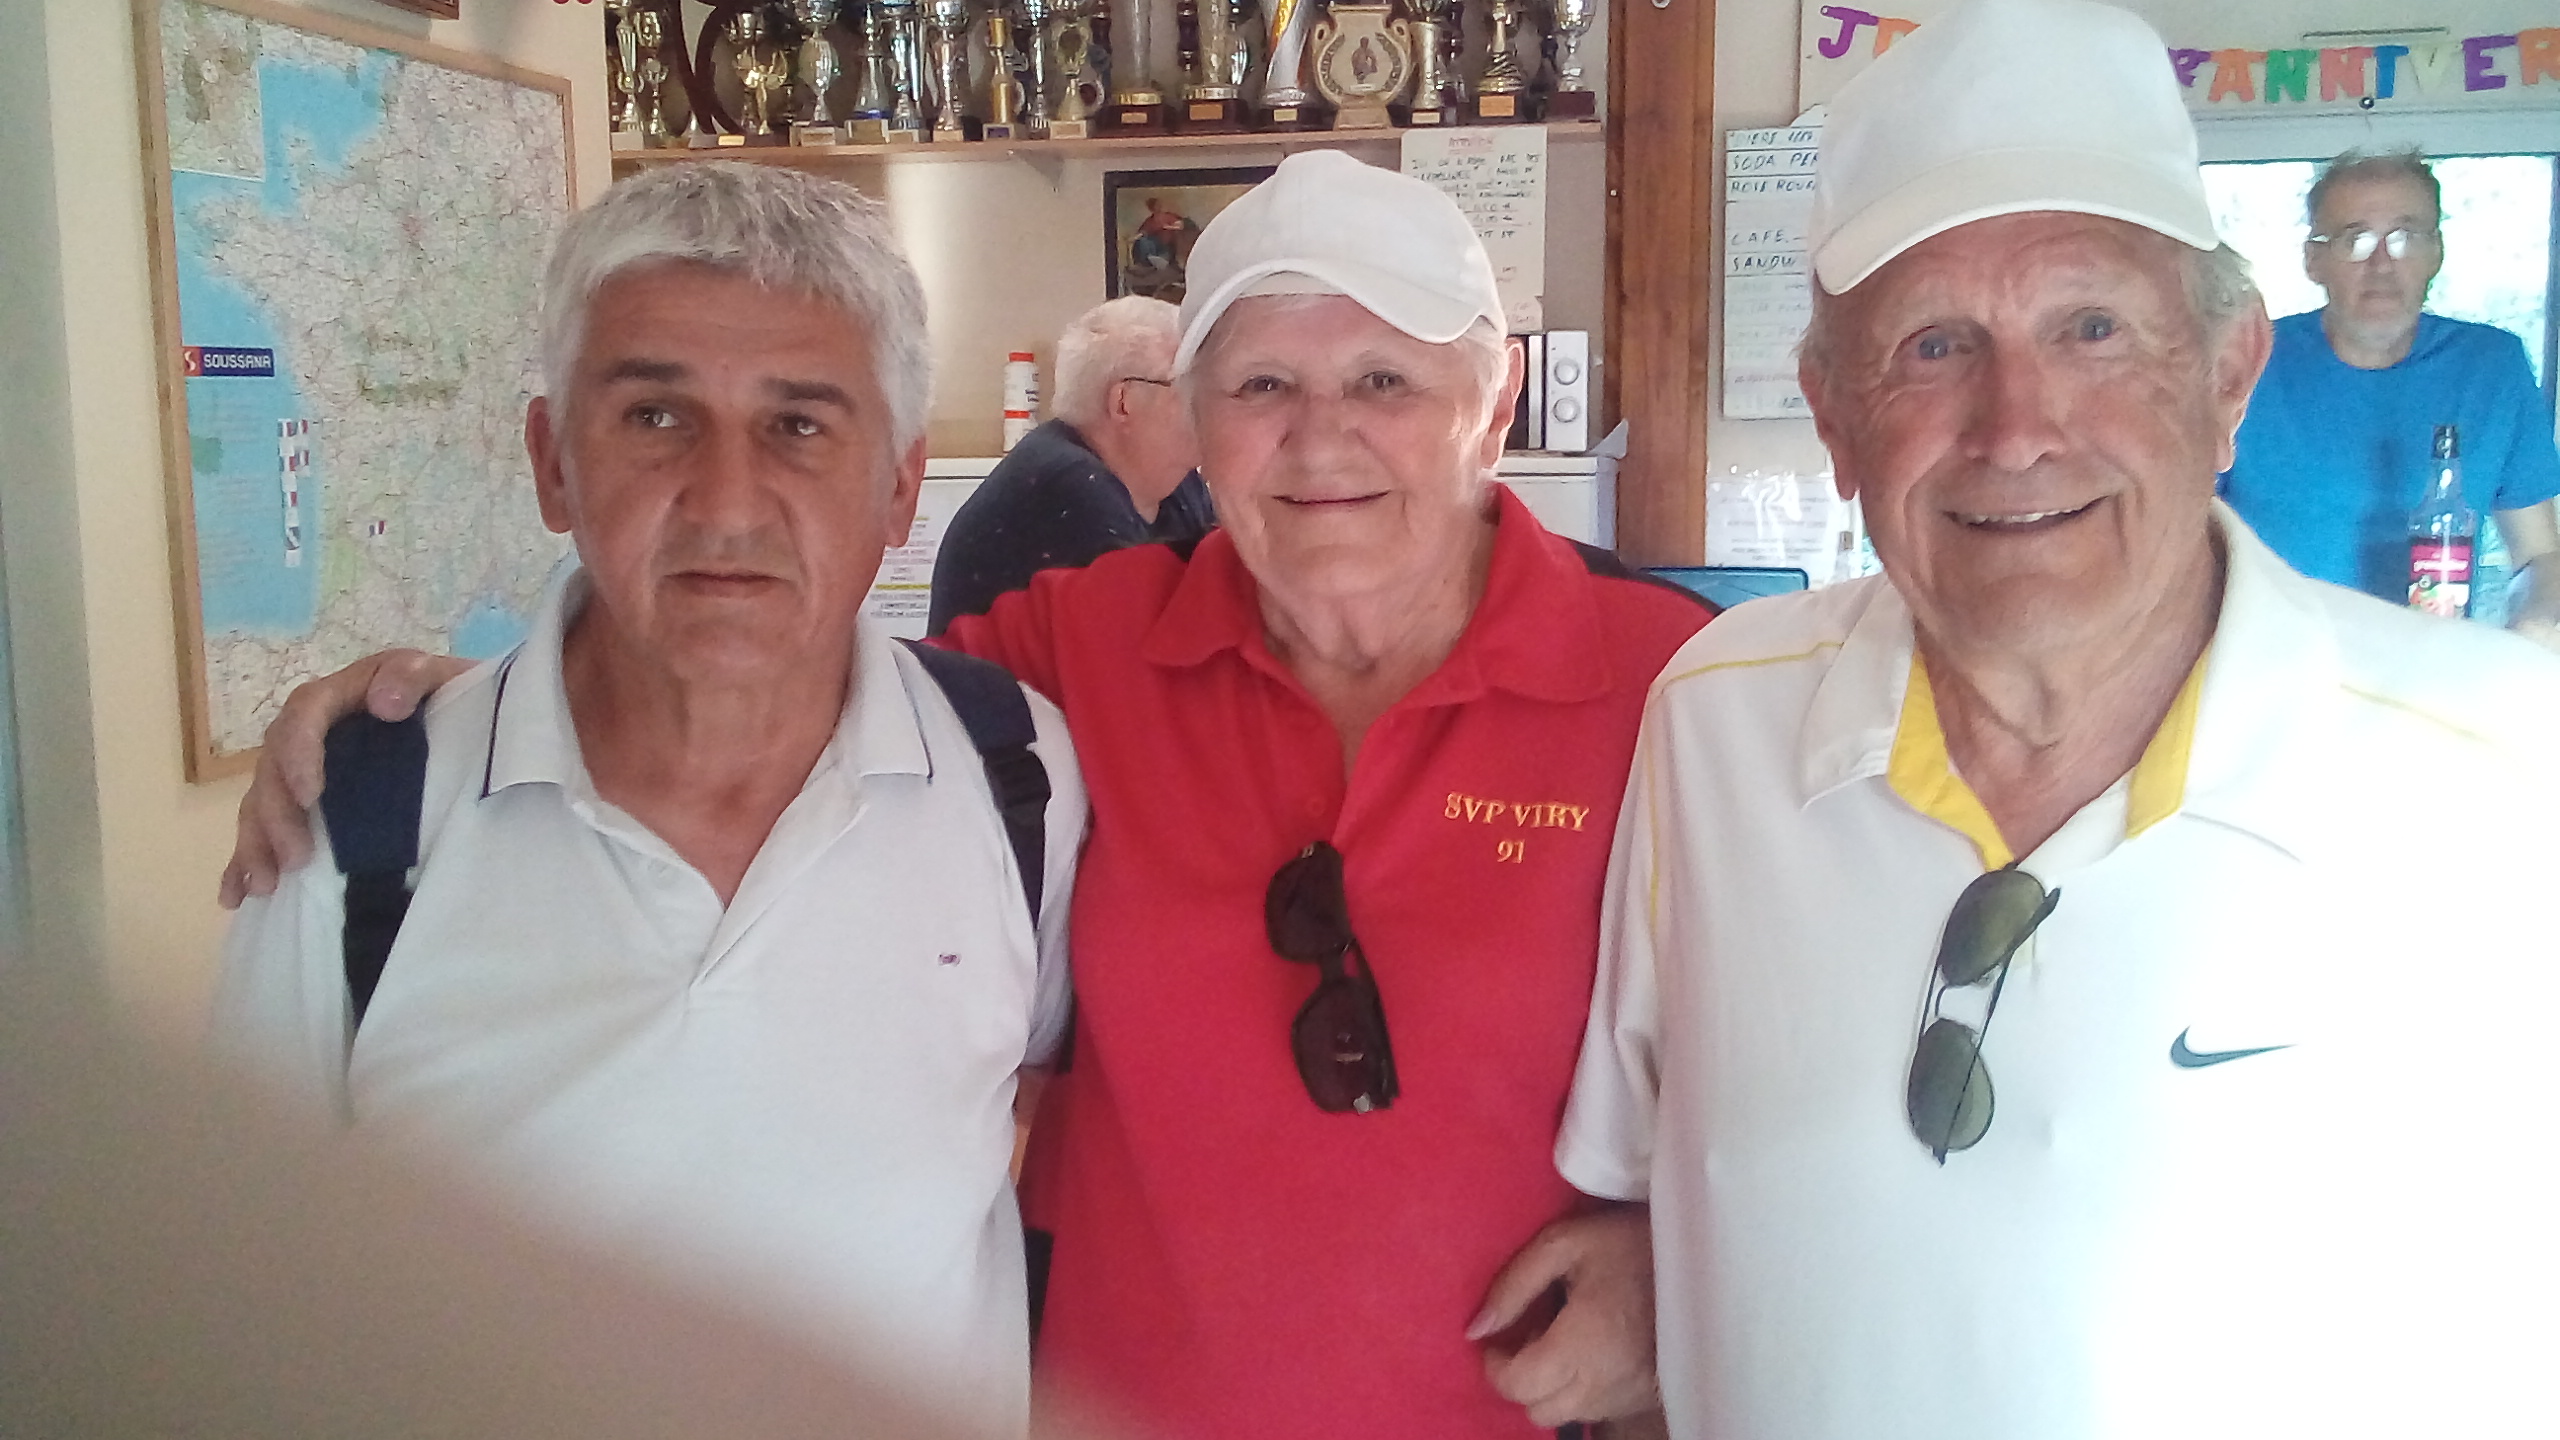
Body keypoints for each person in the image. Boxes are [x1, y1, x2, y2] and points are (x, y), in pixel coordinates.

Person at [221, 150, 1705, 1439]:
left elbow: (1803, 1079)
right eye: (1261, 385)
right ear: (1188, 417)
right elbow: (757, 639)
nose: (1323, 438)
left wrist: (1682, 1261)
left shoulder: (1672, 693)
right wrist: (436, 704)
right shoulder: (1072, 668)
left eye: (1385, 378)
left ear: (1492, 396)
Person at [1554, 2, 2560, 1437]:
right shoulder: (1713, 723)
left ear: (2226, 381)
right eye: (1932, 346)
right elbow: (1655, 1210)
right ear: (1835, 423)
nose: (2016, 424)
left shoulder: (2513, 766)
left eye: (2093, 327)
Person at [208, 163, 1088, 1437]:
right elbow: (241, 1278)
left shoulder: (1019, 777)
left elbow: (1069, 1098)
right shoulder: (360, 825)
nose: (728, 503)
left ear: (898, 491)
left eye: (799, 425)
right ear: (553, 462)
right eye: (656, 417)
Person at [2221, 148, 2560, 643]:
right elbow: (2182, 546)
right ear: (2314, 261)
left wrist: (2537, 624)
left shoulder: (2492, 365)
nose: (2382, 265)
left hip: (2427, 663)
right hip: (2274, 661)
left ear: (2436, 253)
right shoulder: (2244, 362)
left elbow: (2538, 556)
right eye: (2355, 239)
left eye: (2405, 237)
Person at [927, 295, 1215, 635]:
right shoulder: (1067, 487)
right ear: (1124, 402)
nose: (1210, 399)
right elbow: (1163, 642)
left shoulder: (1178, 484)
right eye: (1186, 383)